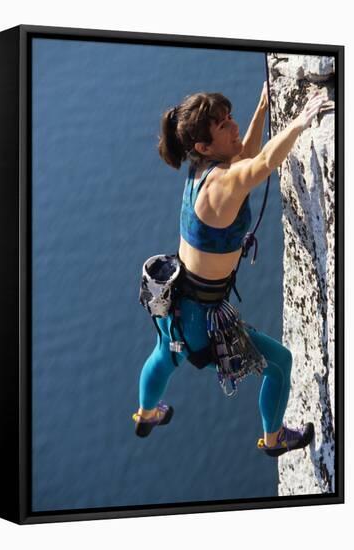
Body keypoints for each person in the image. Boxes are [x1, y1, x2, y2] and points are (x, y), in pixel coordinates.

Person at [133, 82, 327, 457]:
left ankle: (146, 413)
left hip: (174, 300)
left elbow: (246, 158)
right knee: (280, 363)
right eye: (223, 126)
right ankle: (273, 439)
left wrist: (261, 109)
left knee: (164, 353)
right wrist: (301, 122)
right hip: (202, 319)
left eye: (230, 118)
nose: (233, 127)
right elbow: (263, 163)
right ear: (205, 146)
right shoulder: (222, 183)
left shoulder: (201, 170)